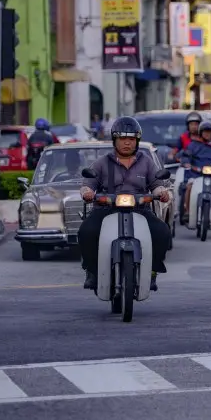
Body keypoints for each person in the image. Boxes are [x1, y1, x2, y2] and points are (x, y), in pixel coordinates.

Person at [77, 117, 172, 292]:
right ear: (115, 140)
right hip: (106, 209)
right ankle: (92, 271)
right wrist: (87, 193)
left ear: (137, 141)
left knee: (163, 232)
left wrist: (162, 193)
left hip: (140, 209)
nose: (127, 143)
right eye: (122, 139)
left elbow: (157, 185)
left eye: (131, 139)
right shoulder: (102, 162)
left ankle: (152, 270)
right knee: (86, 231)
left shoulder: (146, 162)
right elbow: (87, 184)